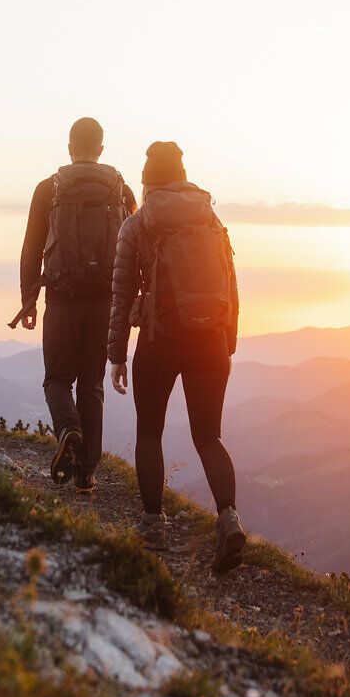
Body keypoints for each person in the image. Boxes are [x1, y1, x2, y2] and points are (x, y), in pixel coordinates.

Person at [107, 140, 246, 574]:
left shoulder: (137, 224)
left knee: (150, 432)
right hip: (211, 342)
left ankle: (153, 524)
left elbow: (122, 293)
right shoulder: (211, 219)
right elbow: (232, 288)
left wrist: (116, 354)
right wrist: (227, 343)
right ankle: (228, 519)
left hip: (159, 340)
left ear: (148, 181)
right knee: (209, 436)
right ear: (183, 175)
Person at [13, 117, 136, 492]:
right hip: (104, 301)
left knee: (56, 379)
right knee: (91, 384)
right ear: (101, 149)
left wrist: (28, 298)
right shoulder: (121, 189)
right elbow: (134, 253)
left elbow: (31, 248)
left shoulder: (47, 188)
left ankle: (67, 428)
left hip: (62, 298)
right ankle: (86, 472)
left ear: (70, 148)